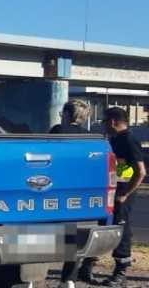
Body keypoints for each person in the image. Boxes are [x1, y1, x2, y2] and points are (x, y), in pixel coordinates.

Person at [82, 107, 145, 288]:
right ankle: (86, 267)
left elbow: (140, 172)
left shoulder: (129, 140)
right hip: (110, 193)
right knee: (100, 228)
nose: (103, 126)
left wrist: (125, 193)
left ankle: (121, 273)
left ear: (112, 122)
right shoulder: (114, 140)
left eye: (103, 122)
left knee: (122, 231)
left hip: (121, 197)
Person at [54, 100, 94, 287]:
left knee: (36, 235)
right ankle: (68, 279)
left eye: (63, 113)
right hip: (79, 192)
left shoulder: (57, 131)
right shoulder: (90, 137)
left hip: (55, 189)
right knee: (74, 236)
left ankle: (29, 277)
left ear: (68, 115)